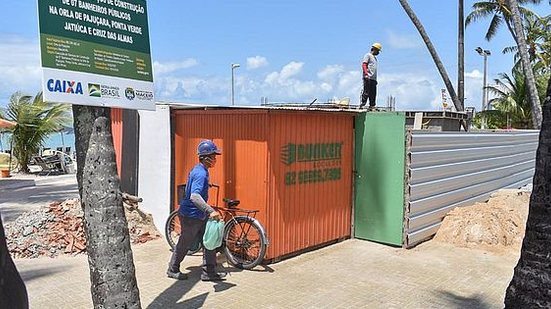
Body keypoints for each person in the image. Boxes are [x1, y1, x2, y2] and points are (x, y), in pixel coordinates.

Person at [167, 139, 226, 281]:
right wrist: (210, 210)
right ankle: (172, 269)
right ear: (206, 158)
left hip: (199, 214)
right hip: (191, 215)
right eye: (213, 157)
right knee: (185, 243)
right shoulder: (201, 173)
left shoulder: (199, 170)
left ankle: (209, 272)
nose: (215, 160)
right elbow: (194, 196)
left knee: (209, 241)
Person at [360, 42, 382, 110]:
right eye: (377, 51)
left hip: (373, 78)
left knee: (373, 93)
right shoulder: (368, 55)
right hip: (368, 77)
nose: (378, 52)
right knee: (366, 91)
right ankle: (363, 104)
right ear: (374, 49)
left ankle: (372, 105)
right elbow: (364, 65)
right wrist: (366, 74)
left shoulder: (375, 58)